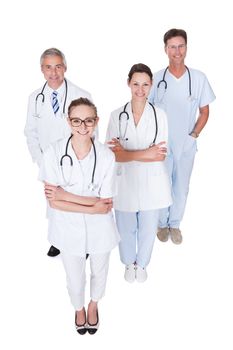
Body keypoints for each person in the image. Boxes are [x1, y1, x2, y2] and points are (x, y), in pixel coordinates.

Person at [39, 97, 120, 334]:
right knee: (74, 278)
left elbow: (105, 203)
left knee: (100, 271)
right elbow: (53, 202)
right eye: (76, 120)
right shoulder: (54, 152)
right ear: (68, 121)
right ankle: (78, 308)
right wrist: (90, 206)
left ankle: (94, 305)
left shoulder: (106, 156)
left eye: (88, 121)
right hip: (66, 228)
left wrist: (66, 195)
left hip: (100, 229)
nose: (82, 126)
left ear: (96, 122)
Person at [106, 63, 172, 283]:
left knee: (147, 228)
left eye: (145, 84)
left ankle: (142, 264)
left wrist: (129, 153)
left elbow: (160, 155)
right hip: (124, 182)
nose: (140, 89)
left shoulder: (159, 115)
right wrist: (146, 153)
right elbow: (113, 155)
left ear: (151, 85)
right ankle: (128, 263)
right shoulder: (117, 116)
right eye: (136, 84)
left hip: (152, 183)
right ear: (128, 84)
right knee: (125, 228)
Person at [149, 28, 216, 244]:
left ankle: (175, 224)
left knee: (181, 187)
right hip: (161, 144)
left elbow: (205, 111)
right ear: (165, 49)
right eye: (172, 47)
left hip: (186, 143)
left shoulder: (198, 78)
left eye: (181, 46)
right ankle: (161, 223)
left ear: (186, 47)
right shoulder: (156, 79)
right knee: (161, 185)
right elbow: (146, 111)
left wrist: (193, 135)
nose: (177, 51)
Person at [24, 48, 92, 257]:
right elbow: (30, 132)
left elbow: (91, 129)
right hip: (49, 161)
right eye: (48, 67)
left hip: (78, 158)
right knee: (54, 202)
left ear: (65, 67)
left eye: (58, 66)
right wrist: (40, 159)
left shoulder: (81, 95)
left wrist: (86, 159)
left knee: (78, 201)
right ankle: (58, 241)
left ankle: (84, 244)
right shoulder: (35, 98)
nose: (53, 72)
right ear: (42, 70)